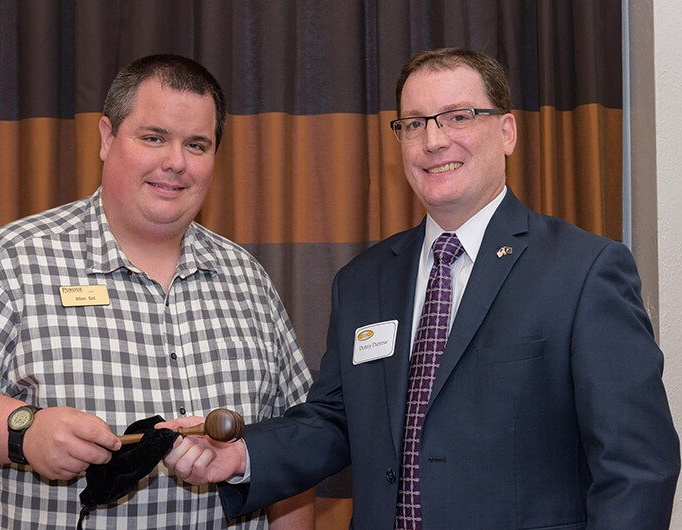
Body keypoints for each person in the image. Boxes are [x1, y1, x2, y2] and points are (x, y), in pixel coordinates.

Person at [160, 48, 680, 529]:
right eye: (414, 124)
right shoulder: (364, 280)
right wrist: (244, 454)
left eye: (458, 116)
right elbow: (338, 422)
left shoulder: (584, 270)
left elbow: (637, 466)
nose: (433, 140)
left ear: (506, 132)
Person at [0, 54, 314, 529]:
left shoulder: (247, 280)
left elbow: (293, 442)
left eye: (197, 145)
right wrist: (23, 430)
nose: (175, 162)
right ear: (107, 138)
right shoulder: (13, 259)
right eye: (154, 138)